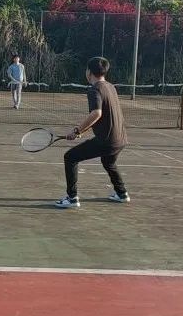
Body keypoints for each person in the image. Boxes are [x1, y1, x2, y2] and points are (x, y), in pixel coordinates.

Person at [55, 57, 129, 208]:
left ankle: (72, 198)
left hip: (107, 141)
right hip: (121, 139)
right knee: (108, 162)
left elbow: (97, 113)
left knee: (70, 157)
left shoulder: (95, 89)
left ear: (89, 72)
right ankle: (122, 193)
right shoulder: (111, 87)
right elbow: (103, 115)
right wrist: (82, 130)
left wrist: (77, 130)